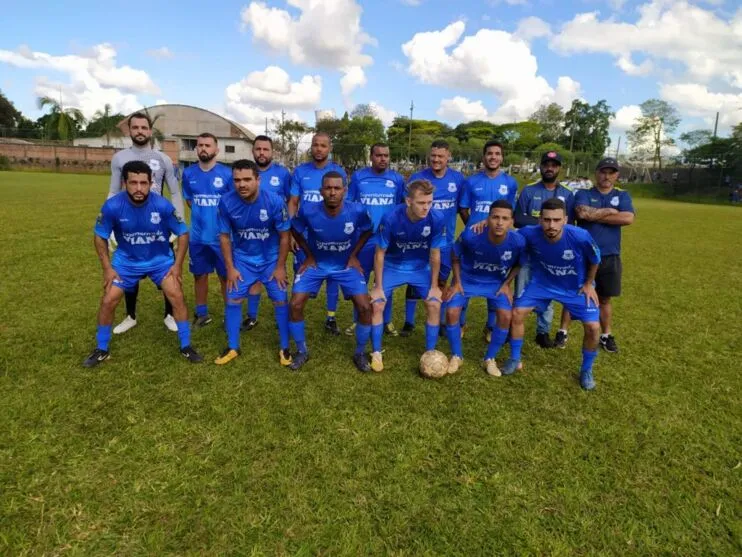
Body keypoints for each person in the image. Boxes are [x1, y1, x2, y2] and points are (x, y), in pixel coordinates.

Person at [83, 160, 202, 367]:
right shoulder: (112, 206)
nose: (139, 188)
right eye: (133, 183)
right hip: (126, 263)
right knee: (108, 300)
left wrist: (177, 265)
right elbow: (99, 235)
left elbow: (183, 233)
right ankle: (101, 349)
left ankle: (186, 346)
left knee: (177, 296)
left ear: (151, 183)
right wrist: (107, 268)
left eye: (143, 183)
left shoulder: (163, 205)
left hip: (160, 262)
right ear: (124, 183)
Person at [507, 198, 601, 390]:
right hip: (542, 284)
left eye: (556, 220)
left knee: (593, 327)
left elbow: (595, 258)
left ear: (565, 220)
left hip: (574, 287)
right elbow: (504, 230)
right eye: (547, 220)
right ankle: (514, 358)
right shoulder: (529, 233)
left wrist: (589, 283)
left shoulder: (580, 236)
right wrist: (484, 223)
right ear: (540, 219)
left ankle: (586, 370)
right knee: (516, 313)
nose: (551, 225)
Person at [288, 171, 374, 372]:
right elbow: (295, 229)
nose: (332, 192)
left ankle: (360, 353)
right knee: (295, 303)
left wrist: (354, 255)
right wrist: (309, 255)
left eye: (337, 188)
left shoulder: (358, 210)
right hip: (317, 264)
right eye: (328, 188)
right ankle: (302, 351)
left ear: (344, 190)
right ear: (321, 191)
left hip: (345, 265)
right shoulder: (308, 211)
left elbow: (368, 230)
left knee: (364, 307)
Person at [108, 112, 185, 335]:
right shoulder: (119, 158)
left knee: (167, 272)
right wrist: (111, 225)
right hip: (128, 224)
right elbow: (114, 191)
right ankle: (130, 316)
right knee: (129, 272)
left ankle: (169, 315)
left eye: (144, 127)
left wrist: (176, 226)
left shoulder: (163, 159)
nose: (140, 131)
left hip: (158, 225)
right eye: (135, 127)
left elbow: (175, 193)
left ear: (150, 131)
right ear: (129, 131)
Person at [214, 159, 292, 366]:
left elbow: (285, 236)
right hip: (243, 261)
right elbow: (223, 236)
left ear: (258, 180)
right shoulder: (226, 202)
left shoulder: (274, 201)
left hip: (271, 260)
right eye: (237, 180)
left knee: (280, 300)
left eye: (247, 179)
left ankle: (285, 347)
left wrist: (280, 267)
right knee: (233, 299)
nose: (242, 184)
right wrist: (230, 268)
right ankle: (232, 347)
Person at [369, 179, 446, 372]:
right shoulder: (391, 218)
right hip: (392, 266)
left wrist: (435, 285)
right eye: (421, 203)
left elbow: (435, 254)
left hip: (420, 268)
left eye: (430, 202)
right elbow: (379, 253)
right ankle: (376, 352)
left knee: (435, 303)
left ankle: (430, 353)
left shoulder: (436, 218)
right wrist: (378, 286)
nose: (426, 207)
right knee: (377, 303)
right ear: (408, 201)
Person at [561, 157, 635, 353]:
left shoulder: (623, 195)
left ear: (617, 175)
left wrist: (598, 214)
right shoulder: (584, 193)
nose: (607, 176)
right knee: (573, 293)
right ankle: (563, 332)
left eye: (611, 172)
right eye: (603, 171)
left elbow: (627, 218)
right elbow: (583, 214)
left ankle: (606, 335)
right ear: (596, 173)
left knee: (604, 299)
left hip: (610, 255)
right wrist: (611, 212)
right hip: (583, 255)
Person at [444, 200, 525, 375]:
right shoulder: (471, 235)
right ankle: (457, 355)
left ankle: (489, 358)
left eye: (505, 218)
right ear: (487, 218)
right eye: (495, 217)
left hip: (496, 282)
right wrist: (457, 282)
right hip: (467, 279)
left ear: (512, 222)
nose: (499, 222)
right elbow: (455, 255)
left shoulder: (518, 242)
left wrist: (507, 284)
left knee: (505, 315)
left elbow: (519, 264)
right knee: (451, 312)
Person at [401, 140, 465, 336]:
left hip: (445, 241)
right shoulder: (417, 178)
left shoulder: (458, 179)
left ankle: (441, 322)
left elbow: (462, 206)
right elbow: (406, 207)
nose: (436, 159)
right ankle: (409, 322)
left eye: (441, 156)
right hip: (419, 240)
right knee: (415, 278)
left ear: (449, 157)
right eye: (433, 155)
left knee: (441, 282)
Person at [512, 151, 575, 349]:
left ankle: (542, 331)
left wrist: (540, 224)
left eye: (554, 165)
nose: (550, 168)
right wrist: (546, 225)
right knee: (520, 292)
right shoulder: (529, 191)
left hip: (552, 255)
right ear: (540, 167)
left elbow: (570, 223)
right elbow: (518, 219)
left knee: (548, 294)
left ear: (559, 168)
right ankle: (513, 328)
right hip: (528, 252)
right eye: (546, 164)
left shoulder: (567, 194)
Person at [288, 132, 348, 336]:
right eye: (315, 145)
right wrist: (290, 233)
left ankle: (331, 317)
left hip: (332, 233)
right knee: (302, 272)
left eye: (323, 145)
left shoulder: (337, 171)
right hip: (305, 235)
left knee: (333, 275)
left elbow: (344, 204)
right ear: (311, 147)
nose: (319, 149)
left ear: (329, 148)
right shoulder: (300, 172)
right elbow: (294, 202)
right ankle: (297, 312)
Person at [458, 139, 519, 340]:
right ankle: (460, 324)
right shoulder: (471, 181)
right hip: (473, 242)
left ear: (502, 157)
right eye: (489, 153)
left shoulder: (510, 183)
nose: (493, 157)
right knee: (466, 278)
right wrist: (473, 227)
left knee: (496, 279)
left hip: (499, 242)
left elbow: (511, 212)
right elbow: (463, 208)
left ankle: (490, 327)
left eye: (497, 153)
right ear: (483, 157)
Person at [345, 142, 406, 337]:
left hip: (387, 239)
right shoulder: (358, 177)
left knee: (385, 281)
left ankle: (386, 321)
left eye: (386, 155)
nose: (383, 159)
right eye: (379, 155)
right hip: (364, 239)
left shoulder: (397, 179)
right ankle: (358, 318)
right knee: (360, 279)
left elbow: (400, 208)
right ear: (371, 157)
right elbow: (350, 205)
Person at [181, 132, 234, 327]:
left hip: (221, 237)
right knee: (199, 275)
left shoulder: (227, 174)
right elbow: (189, 200)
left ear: (216, 149)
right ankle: (202, 313)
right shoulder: (188, 173)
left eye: (208, 145)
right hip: (197, 237)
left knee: (225, 275)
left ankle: (230, 314)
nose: (203, 148)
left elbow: (232, 203)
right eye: (200, 145)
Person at [241, 135, 292, 331]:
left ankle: (283, 314)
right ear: (253, 151)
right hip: (251, 234)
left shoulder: (282, 173)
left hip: (276, 234)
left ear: (272, 152)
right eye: (258, 149)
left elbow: (290, 200)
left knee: (278, 273)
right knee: (254, 273)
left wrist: (287, 226)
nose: (261, 153)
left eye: (265, 149)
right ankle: (252, 316)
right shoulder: (245, 173)